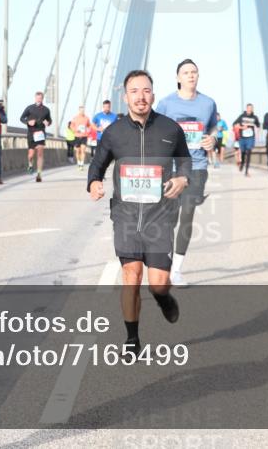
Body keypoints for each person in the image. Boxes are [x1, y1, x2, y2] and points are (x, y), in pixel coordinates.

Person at [87, 70, 190, 354]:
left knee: (157, 284)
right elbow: (98, 163)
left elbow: (185, 162)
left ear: (153, 95)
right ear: (126, 96)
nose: (140, 97)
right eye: (134, 91)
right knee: (131, 277)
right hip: (126, 216)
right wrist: (94, 182)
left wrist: (182, 178)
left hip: (160, 216)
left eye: (146, 91)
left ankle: (163, 297)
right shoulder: (114, 132)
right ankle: (132, 340)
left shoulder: (170, 129)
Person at [155, 59, 219, 287]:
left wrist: (212, 138)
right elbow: (154, 130)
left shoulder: (208, 103)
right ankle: (164, 262)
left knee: (188, 214)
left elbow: (214, 126)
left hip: (197, 166)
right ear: (178, 77)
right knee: (169, 219)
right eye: (186, 72)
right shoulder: (165, 104)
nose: (191, 75)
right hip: (172, 168)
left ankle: (176, 271)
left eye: (194, 72)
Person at [20, 92, 53, 182]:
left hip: (41, 134)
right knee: (31, 155)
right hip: (31, 133)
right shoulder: (30, 108)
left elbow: (50, 120)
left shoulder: (46, 110)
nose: (39, 99)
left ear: (42, 99)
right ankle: (30, 165)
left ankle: (39, 174)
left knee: (40, 153)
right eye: (37, 98)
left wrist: (48, 123)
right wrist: (28, 122)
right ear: (35, 98)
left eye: (40, 98)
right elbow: (22, 118)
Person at [233, 104, 261, 176]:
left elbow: (258, 126)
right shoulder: (242, 116)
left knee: (249, 152)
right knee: (243, 152)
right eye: (249, 108)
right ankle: (242, 164)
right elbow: (234, 124)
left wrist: (257, 134)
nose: (250, 110)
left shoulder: (255, 117)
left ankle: (246, 171)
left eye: (251, 108)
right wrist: (242, 128)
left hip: (250, 137)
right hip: (242, 138)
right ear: (246, 109)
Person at [70, 105, 91, 170]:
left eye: (83, 110)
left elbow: (89, 126)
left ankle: (82, 164)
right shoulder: (75, 118)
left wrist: (88, 132)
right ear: (79, 110)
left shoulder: (87, 118)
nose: (82, 111)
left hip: (84, 136)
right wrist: (75, 130)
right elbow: (71, 126)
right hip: (77, 136)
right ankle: (78, 163)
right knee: (77, 151)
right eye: (81, 110)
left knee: (83, 150)